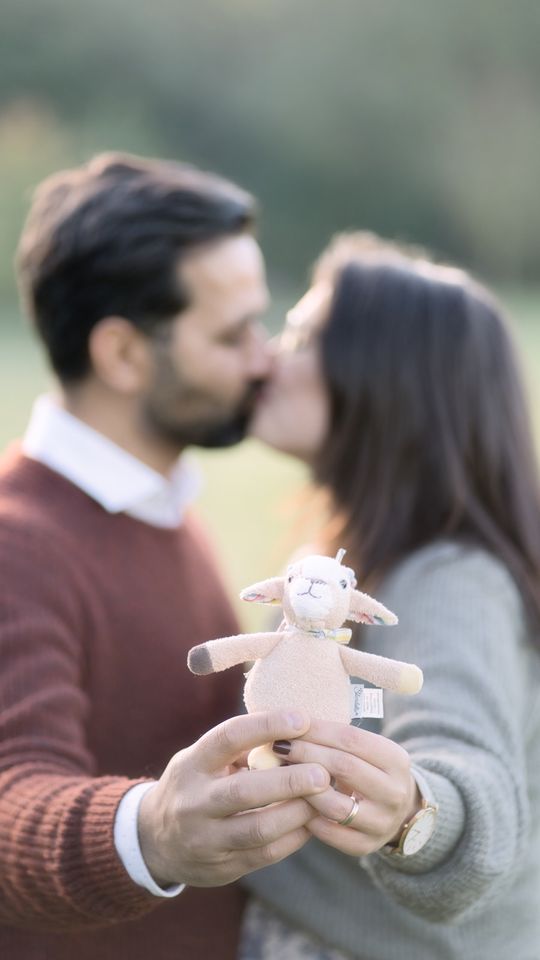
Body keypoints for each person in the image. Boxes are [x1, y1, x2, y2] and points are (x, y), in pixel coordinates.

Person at [0, 153, 333, 960]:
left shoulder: (167, 512)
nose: (263, 358)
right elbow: (12, 794)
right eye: (231, 334)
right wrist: (150, 831)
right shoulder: (19, 543)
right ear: (121, 356)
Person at [243, 232, 540, 959]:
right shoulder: (389, 560)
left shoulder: (446, 578)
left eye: (305, 336)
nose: (270, 357)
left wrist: (418, 810)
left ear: (389, 380)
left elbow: (465, 766)